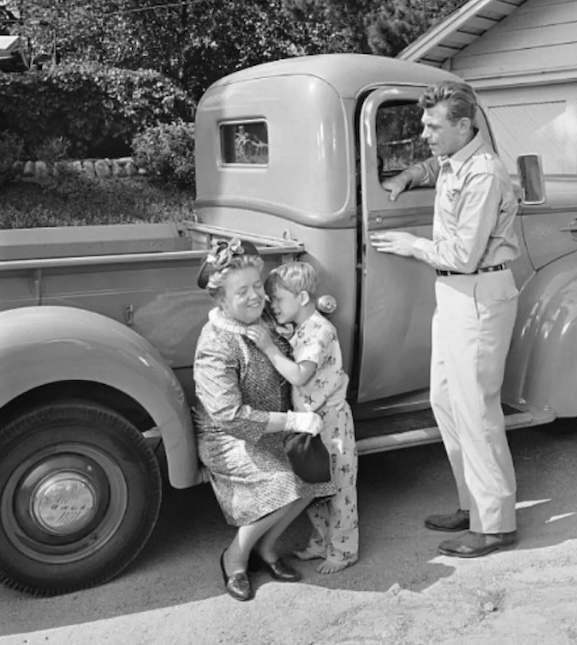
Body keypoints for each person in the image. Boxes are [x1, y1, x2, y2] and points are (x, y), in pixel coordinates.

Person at [370, 81, 521, 558]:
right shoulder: (458, 159)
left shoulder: (484, 174)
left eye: (433, 126)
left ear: (462, 125)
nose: (424, 132)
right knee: (445, 400)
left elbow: (463, 254)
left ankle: (495, 524)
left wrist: (411, 244)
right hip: (456, 296)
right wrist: (409, 175)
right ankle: (472, 503)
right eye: (423, 124)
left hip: (477, 290)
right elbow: (437, 165)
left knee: (476, 409)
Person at [193, 239, 336, 601]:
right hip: (231, 437)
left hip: (276, 426)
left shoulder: (266, 320)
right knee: (287, 483)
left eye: (258, 286)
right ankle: (235, 557)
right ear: (222, 301)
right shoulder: (217, 342)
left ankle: (267, 548)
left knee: (316, 475)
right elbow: (228, 416)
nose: (257, 296)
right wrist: (292, 422)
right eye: (243, 291)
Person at [247, 261, 359, 574]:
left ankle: (344, 551)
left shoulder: (320, 331)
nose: (274, 305)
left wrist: (270, 349)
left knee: (339, 487)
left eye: (279, 299)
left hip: (331, 421)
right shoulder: (302, 328)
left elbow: (299, 375)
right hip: (311, 422)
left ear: (303, 298)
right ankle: (321, 542)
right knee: (315, 485)